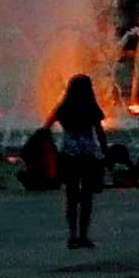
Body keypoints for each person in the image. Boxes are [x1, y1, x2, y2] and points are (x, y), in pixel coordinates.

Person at [50, 74, 109, 247]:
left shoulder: (64, 107)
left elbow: (47, 126)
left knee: (71, 195)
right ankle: (83, 234)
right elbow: (99, 131)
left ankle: (72, 235)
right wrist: (105, 153)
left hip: (69, 154)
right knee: (87, 197)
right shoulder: (91, 106)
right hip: (88, 155)